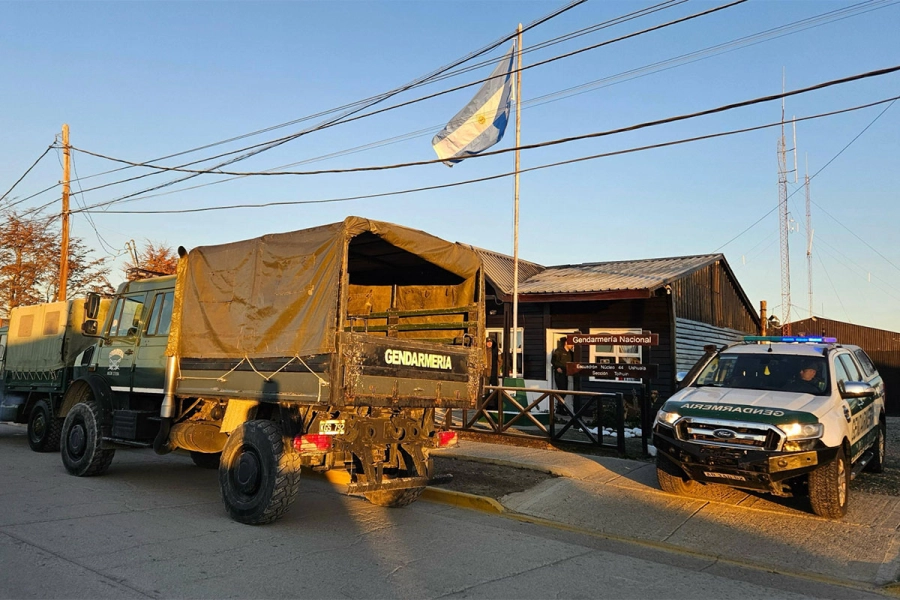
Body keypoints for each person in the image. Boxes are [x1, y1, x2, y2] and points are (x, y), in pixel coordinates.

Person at [551, 337, 575, 413]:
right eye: (571, 343)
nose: (572, 345)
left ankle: (560, 406)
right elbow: (553, 361)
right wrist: (557, 367)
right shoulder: (559, 351)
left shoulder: (571, 353)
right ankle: (560, 408)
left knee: (565, 390)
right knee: (562, 389)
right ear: (566, 343)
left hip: (567, 373)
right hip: (559, 374)